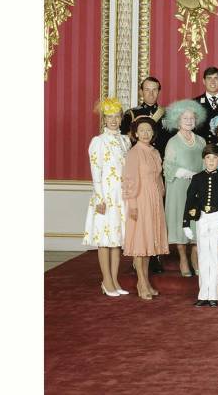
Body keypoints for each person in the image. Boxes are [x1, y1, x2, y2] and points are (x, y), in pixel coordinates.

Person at [120, 75, 172, 274]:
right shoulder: (131, 114)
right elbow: (125, 142)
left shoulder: (166, 115)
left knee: (157, 215)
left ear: (159, 91)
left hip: (158, 166)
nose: (151, 93)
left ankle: (155, 255)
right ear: (141, 92)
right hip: (139, 169)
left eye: (155, 90)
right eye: (147, 90)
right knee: (141, 220)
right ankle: (139, 259)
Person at [84, 97, 130, 297]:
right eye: (109, 116)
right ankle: (106, 280)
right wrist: (100, 198)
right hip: (106, 196)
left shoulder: (125, 140)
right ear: (104, 119)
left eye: (116, 116)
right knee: (104, 238)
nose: (113, 120)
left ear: (121, 118)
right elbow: (96, 171)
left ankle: (115, 279)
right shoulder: (98, 141)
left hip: (121, 197)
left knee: (116, 239)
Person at [121, 117, 169, 301]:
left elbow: (158, 177)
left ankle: (146, 281)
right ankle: (141, 283)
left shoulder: (154, 151)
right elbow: (129, 179)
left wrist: (161, 195)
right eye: (142, 130)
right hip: (140, 199)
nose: (146, 134)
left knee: (149, 242)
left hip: (154, 199)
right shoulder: (134, 153)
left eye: (149, 130)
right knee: (140, 242)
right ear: (135, 133)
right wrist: (132, 204)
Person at [183, 144, 218, 307]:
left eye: (215, 158)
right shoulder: (197, 178)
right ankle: (203, 294)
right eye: (208, 158)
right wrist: (186, 223)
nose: (211, 161)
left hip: (217, 218)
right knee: (203, 256)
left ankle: (213, 295)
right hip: (202, 219)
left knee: (215, 257)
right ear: (203, 159)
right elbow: (189, 199)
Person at [162, 99, 206, 277]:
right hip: (179, 187)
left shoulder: (201, 141)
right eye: (185, 118)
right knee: (181, 218)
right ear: (177, 120)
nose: (189, 121)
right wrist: (188, 173)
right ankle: (182, 258)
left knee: (197, 220)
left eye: (192, 118)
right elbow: (168, 167)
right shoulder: (173, 142)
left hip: (198, 187)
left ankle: (195, 256)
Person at [194, 66, 218, 144]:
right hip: (203, 148)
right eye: (209, 78)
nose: (213, 81)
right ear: (204, 81)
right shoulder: (195, 103)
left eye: (216, 78)